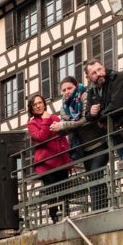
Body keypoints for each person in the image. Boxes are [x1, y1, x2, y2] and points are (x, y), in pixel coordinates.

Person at [84, 59, 123, 205]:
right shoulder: (92, 90)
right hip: (116, 134)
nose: (99, 74)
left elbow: (116, 105)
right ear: (88, 77)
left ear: (104, 67)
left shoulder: (119, 77)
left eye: (100, 69)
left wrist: (98, 115)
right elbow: (88, 114)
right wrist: (92, 114)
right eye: (94, 72)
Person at [51, 77, 106, 211]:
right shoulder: (64, 107)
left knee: (95, 175)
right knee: (94, 178)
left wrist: (64, 125)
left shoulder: (85, 96)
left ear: (76, 86)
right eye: (63, 90)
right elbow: (66, 129)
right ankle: (102, 207)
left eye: (69, 88)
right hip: (84, 148)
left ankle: (98, 209)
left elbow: (85, 120)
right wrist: (58, 129)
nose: (66, 92)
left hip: (99, 143)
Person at [27, 94, 72, 222]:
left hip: (60, 161)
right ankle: (54, 218)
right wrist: (46, 121)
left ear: (44, 103)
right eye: (35, 104)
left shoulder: (54, 118)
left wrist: (68, 160)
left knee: (65, 191)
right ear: (31, 108)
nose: (38, 106)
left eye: (40, 102)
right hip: (46, 164)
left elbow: (63, 138)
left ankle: (66, 216)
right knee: (52, 192)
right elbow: (41, 138)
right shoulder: (32, 124)